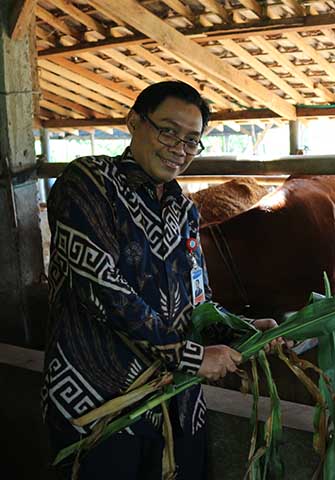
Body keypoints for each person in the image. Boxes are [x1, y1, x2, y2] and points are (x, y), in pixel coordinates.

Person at [42, 81, 278, 479]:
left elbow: (197, 304)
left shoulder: (184, 210)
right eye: (168, 130)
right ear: (134, 121)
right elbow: (104, 291)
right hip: (100, 405)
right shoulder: (88, 182)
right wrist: (194, 357)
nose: (178, 148)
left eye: (191, 140)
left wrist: (244, 328)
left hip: (177, 405)